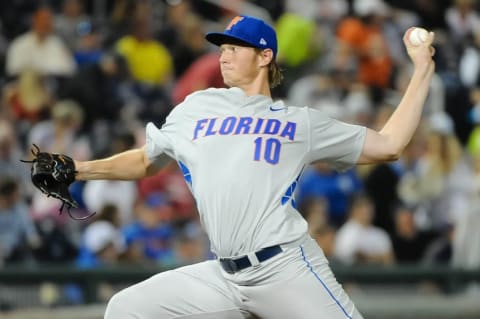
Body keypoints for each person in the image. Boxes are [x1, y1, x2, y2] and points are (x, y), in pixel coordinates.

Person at [71, 15, 435, 319]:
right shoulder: (195, 108)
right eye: (221, 49)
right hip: (224, 276)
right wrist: (78, 169)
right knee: (126, 309)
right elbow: (143, 160)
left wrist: (421, 69)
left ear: (264, 56)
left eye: (234, 48)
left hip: (284, 268)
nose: (223, 56)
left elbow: (389, 145)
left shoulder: (298, 122)